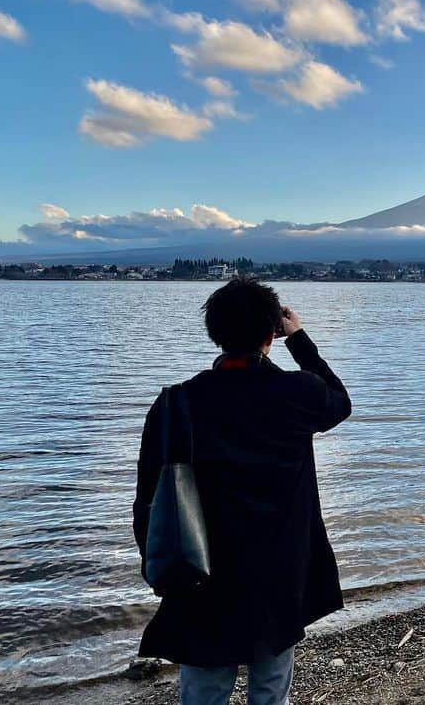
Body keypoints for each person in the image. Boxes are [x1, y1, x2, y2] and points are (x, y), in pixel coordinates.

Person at [132, 276, 351, 705]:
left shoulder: (177, 404)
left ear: (214, 334)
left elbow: (148, 498)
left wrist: (154, 564)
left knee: (204, 691)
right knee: (271, 690)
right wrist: (299, 338)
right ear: (271, 333)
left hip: (200, 570)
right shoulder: (296, 392)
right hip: (279, 569)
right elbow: (339, 402)